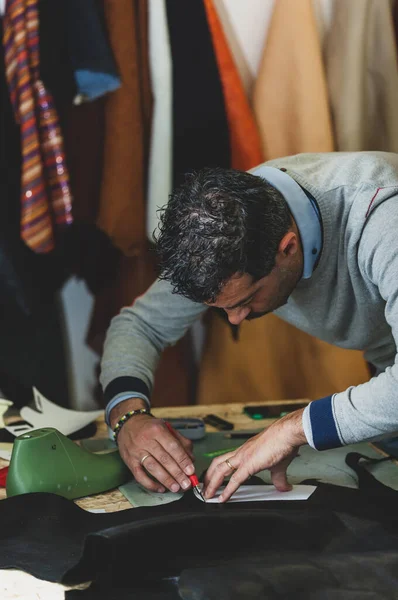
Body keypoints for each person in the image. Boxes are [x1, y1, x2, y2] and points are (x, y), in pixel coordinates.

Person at [100, 151, 398, 503]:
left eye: (246, 300)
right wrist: (128, 417)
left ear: (287, 248)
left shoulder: (383, 220)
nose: (236, 320)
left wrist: (293, 429)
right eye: (223, 309)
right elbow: (139, 325)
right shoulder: (221, 228)